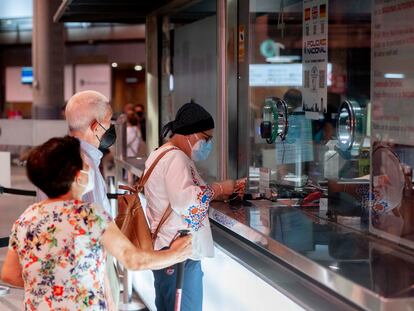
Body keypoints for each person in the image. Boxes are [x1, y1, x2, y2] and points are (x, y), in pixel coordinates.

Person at [0, 136, 192, 311]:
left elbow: (9, 274)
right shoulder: (90, 216)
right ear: (77, 175)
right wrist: (175, 253)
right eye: (85, 164)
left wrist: (52, 286)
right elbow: (134, 259)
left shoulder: (27, 218)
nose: (90, 168)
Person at [144, 101, 237, 311]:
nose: (208, 144)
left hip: (166, 249)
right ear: (191, 134)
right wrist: (219, 189)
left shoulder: (161, 153)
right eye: (206, 138)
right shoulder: (176, 158)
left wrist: (211, 194)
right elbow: (186, 203)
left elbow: (179, 194)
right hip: (177, 253)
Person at [64, 90, 120, 306]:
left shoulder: (55, 157)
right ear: (96, 126)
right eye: (109, 122)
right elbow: (96, 234)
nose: (111, 129)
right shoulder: (86, 167)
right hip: (90, 275)